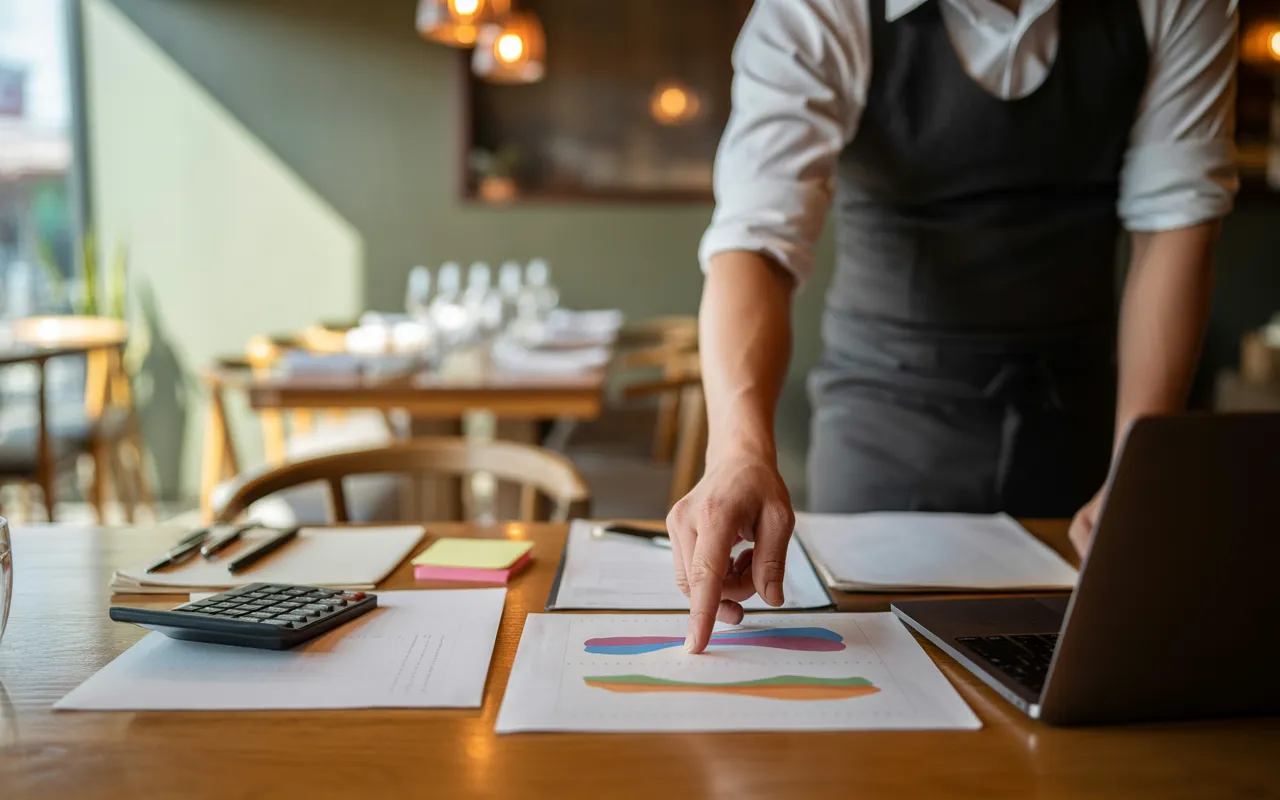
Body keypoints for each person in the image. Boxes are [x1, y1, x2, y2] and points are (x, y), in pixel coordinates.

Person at [670, 0, 1239, 653]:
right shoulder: (817, 9)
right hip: (884, 434)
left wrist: (1139, 467)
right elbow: (756, 243)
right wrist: (738, 450)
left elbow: (1176, 222)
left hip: (1085, 431)